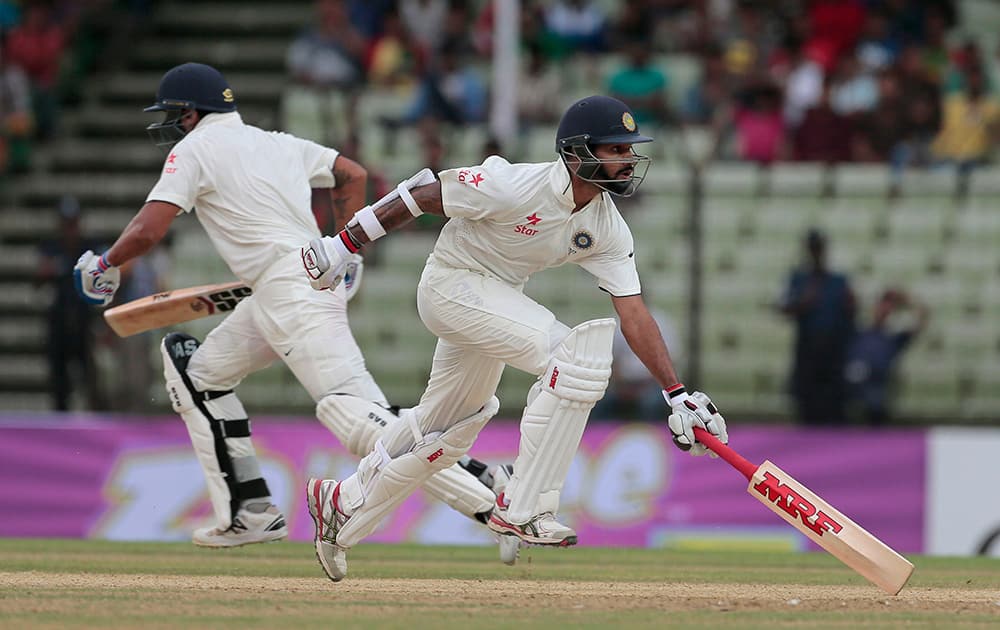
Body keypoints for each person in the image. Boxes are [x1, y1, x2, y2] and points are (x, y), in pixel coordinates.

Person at [299, 95, 729, 581]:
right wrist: (342, 245)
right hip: (451, 284)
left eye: (629, 150)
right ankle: (524, 507)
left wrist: (677, 393)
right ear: (577, 153)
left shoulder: (605, 225)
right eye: (616, 149)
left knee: (447, 432)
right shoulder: (515, 185)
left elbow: (634, 313)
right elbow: (421, 193)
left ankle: (341, 504)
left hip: (493, 299)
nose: (629, 159)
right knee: (576, 355)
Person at [72, 62, 500, 548]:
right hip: (290, 282)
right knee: (198, 373)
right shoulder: (276, 142)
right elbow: (350, 173)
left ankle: (489, 498)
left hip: (289, 289)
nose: (169, 125)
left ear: (190, 114)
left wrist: (105, 263)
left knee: (351, 414)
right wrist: (346, 250)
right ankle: (249, 509)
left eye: (172, 115)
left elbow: (150, 229)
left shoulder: (193, 150)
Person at [778, 229, 856, 425]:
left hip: (833, 350)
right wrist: (804, 302)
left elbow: (850, 314)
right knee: (808, 404)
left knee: (834, 404)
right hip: (809, 350)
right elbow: (785, 308)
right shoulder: (799, 279)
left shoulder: (837, 281)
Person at [37, 196, 105, 411]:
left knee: (90, 374)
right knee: (59, 374)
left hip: (85, 317)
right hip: (58, 316)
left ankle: (94, 416)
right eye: (66, 224)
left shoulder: (89, 247)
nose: (70, 230)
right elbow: (40, 277)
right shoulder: (50, 246)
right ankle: (61, 415)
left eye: (73, 223)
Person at [844, 289, 928, 426]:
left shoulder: (894, 338)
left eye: (889, 309)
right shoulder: (858, 332)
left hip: (877, 396)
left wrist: (911, 301)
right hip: (850, 395)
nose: (883, 312)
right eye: (881, 307)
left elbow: (921, 321)